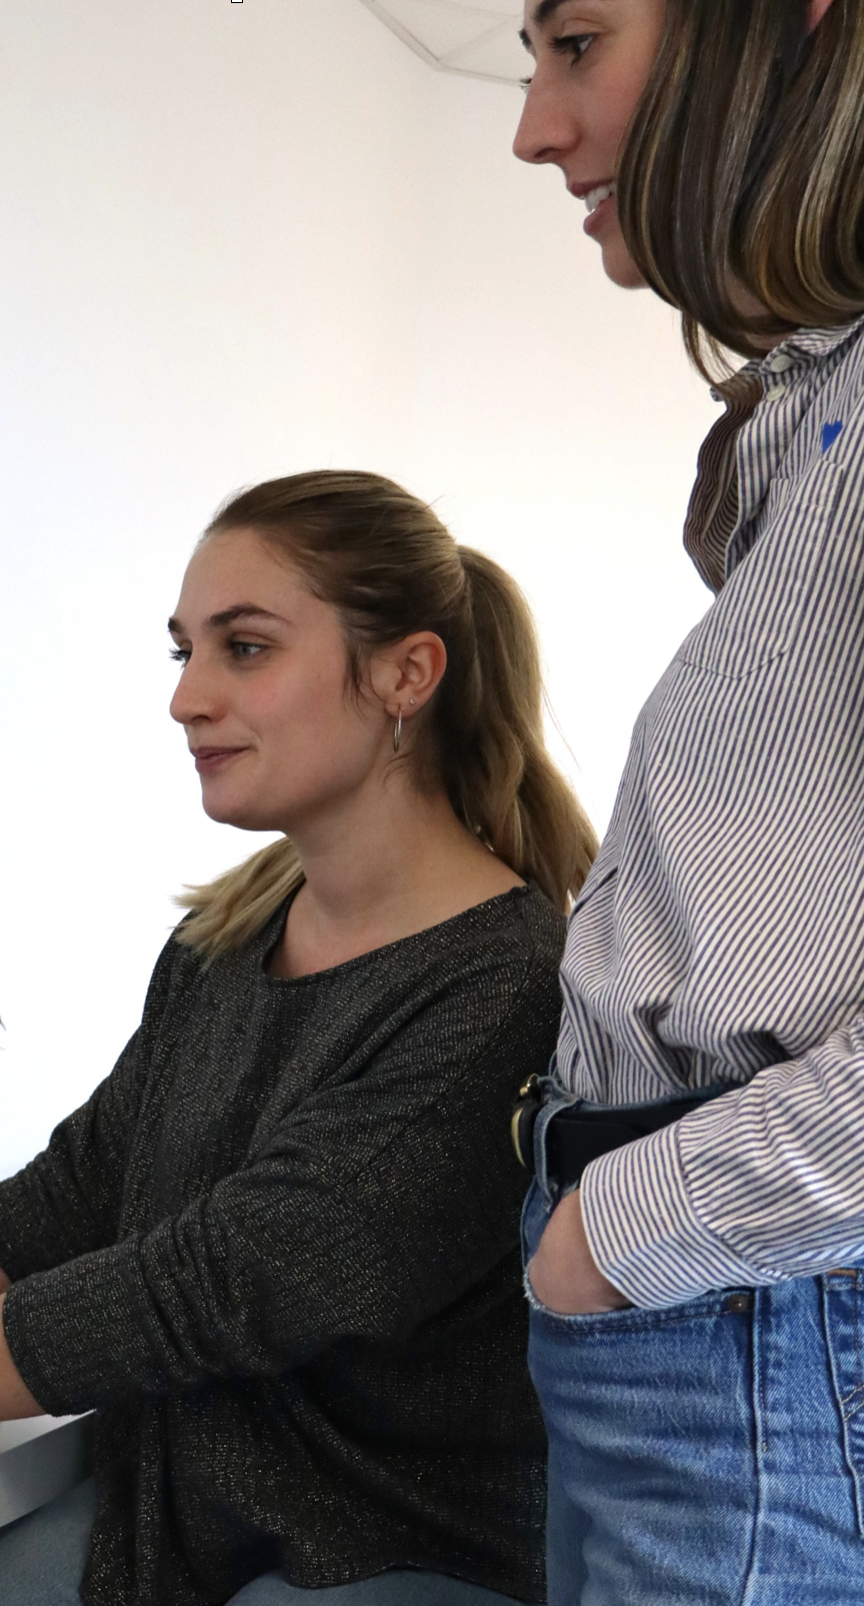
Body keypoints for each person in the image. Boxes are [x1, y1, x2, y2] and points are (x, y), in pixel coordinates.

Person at [0, 473, 594, 1605]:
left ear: (405, 674)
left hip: (374, 1542)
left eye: (243, 648)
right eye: (184, 650)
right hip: (177, 1509)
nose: (186, 697)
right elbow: (74, 1196)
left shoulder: (502, 985)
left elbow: (192, 1292)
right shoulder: (229, 937)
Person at [513, 2, 864, 1602]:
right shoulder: (813, 415)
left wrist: (621, 1229)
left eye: (576, 42)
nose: (534, 126)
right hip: (703, 1320)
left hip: (739, 1323)